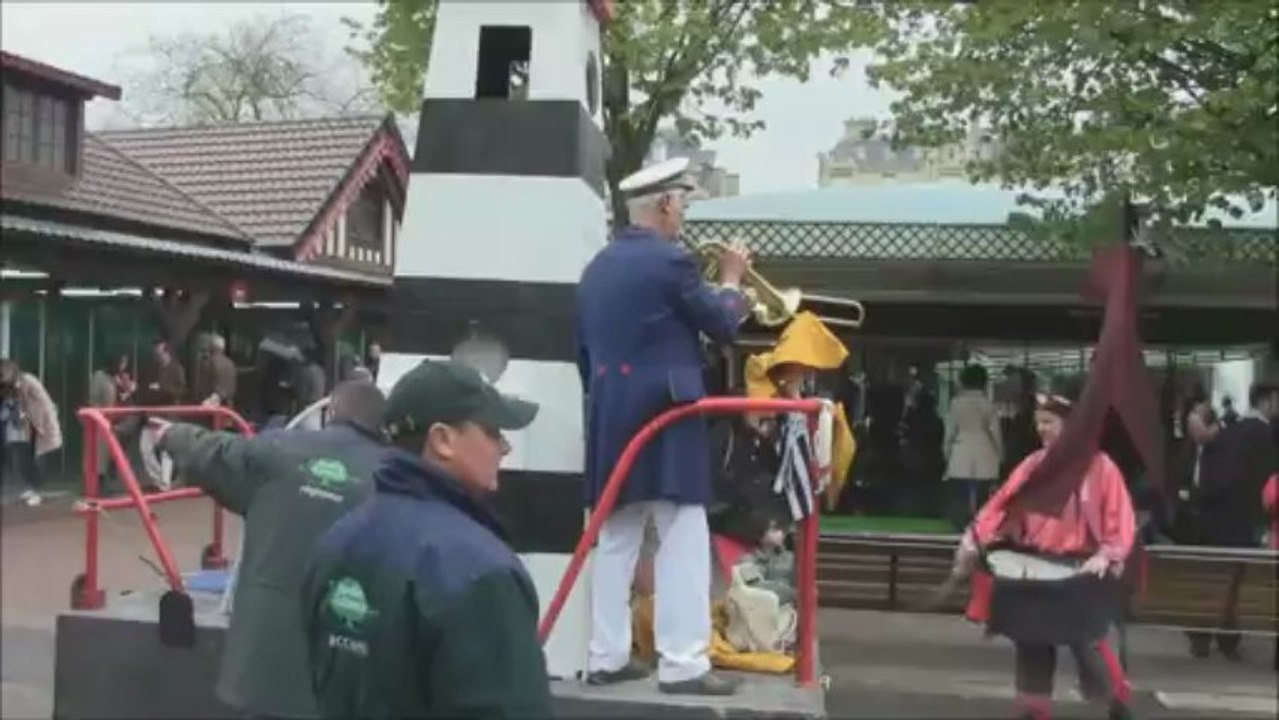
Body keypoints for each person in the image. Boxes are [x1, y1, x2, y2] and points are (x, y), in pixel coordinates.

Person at [576, 156, 751, 696]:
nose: (684, 215)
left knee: (617, 533)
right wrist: (732, 281)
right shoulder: (671, 261)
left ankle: (606, 655)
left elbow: (583, 353)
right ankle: (683, 662)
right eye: (684, 204)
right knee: (682, 532)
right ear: (667, 204)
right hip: (667, 411)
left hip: (610, 411)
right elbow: (721, 324)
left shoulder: (596, 268)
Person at [300, 359, 552, 718]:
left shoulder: (334, 543)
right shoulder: (483, 573)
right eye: (493, 431)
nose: (505, 447)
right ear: (443, 440)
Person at [147, 380, 388, 720]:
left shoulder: (279, 448)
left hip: (265, 670)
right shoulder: (393, 477)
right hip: (349, 676)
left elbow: (217, 453)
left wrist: (173, 434)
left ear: (331, 412)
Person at [955, 391, 1136, 720]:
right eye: (1038, 423)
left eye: (1048, 422)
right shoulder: (1033, 465)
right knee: (1031, 641)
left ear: (1070, 425)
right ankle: (1033, 710)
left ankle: (1113, 702)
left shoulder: (1100, 467)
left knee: (1088, 643)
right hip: (1036, 564)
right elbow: (1002, 505)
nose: (1041, 429)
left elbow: (1119, 519)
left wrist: (1107, 555)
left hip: (1082, 568)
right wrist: (975, 539)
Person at [945, 364, 1003, 531]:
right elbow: (995, 432)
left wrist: (946, 453)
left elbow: (950, 433)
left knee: (960, 493)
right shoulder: (988, 405)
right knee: (983, 493)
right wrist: (1001, 454)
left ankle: (961, 527)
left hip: (961, 450)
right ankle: (981, 527)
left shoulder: (955, 403)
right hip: (986, 449)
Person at [0, 359, 62, 507]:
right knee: (22, 460)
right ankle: (32, 489)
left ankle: (38, 491)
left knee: (36, 462)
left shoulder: (28, 381)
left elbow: (45, 404)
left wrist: (44, 425)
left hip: (40, 427)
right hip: (26, 429)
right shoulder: (10, 389)